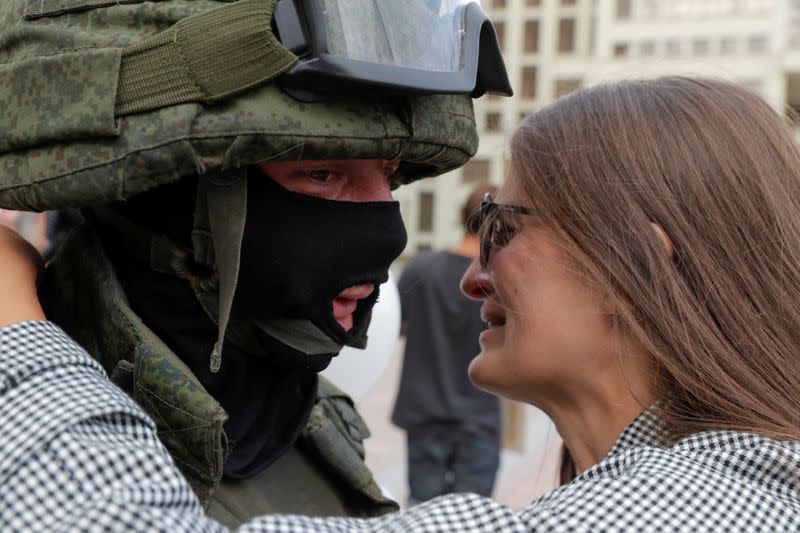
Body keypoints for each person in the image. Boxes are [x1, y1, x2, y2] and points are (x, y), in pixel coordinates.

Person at [2, 76, 799, 531]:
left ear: (639, 267)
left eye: (505, 228)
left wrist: (15, 321)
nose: (471, 277)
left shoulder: (698, 507)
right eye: (323, 174)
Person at [0, 0, 511, 527]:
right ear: (171, 200)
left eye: (390, 172)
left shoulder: (308, 419)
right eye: (322, 174)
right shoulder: (31, 447)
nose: (387, 233)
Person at [392, 183, 501, 504]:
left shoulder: (421, 268)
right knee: (474, 519)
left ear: (459, 217)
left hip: (424, 411)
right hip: (480, 417)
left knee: (422, 514)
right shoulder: (501, 283)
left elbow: (399, 326)